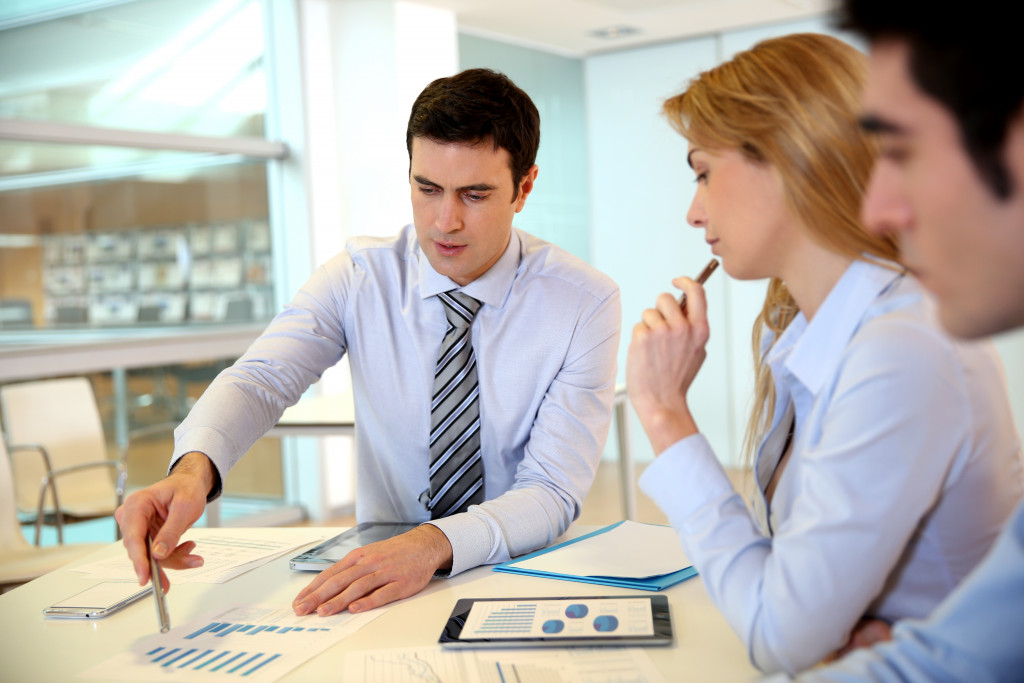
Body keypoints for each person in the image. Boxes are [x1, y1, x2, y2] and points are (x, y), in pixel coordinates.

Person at [115, 68, 621, 616]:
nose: (444, 221)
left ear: (524, 188)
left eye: (475, 195)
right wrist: (193, 469)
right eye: (427, 189)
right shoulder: (360, 276)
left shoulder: (583, 303)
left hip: (519, 575)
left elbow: (551, 488)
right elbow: (260, 379)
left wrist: (433, 545)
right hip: (380, 582)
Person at [624, 33, 1023, 675]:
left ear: (787, 158)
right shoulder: (794, 328)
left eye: (703, 172)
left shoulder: (902, 348)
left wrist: (666, 414)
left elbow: (779, 634)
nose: (694, 213)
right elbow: (786, 592)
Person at [759, 4, 1024, 681]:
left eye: (903, 150)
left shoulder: (904, 345)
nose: (879, 210)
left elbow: (783, 632)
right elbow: (959, 656)